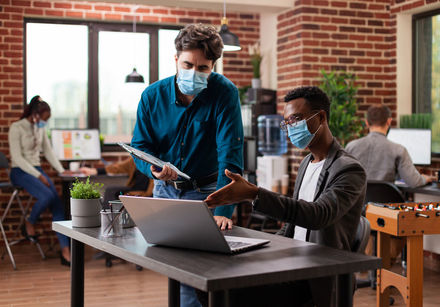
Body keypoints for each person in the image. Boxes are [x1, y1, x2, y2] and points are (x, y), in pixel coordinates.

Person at [203, 86, 367, 307]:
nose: (291, 128)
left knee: (224, 293)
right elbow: (292, 225)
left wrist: (254, 193)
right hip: (292, 264)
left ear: (321, 117)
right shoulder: (306, 164)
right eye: (287, 123)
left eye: (296, 120)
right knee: (207, 286)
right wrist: (258, 247)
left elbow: (317, 216)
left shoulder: (349, 170)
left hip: (315, 275)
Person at [131, 24, 243, 307]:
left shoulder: (224, 93)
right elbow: (140, 147)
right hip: (165, 193)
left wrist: (224, 208)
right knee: (177, 270)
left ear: (213, 66)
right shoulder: (152, 96)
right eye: (187, 64)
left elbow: (230, 152)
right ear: (175, 59)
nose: (194, 73)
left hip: (207, 192)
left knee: (202, 271)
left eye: (203, 68)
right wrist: (153, 170)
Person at [8, 95, 72, 266]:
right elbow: (17, 158)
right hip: (19, 171)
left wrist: (62, 171)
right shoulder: (16, 128)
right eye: (44, 119)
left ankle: (65, 251)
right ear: (35, 114)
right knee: (46, 197)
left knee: (58, 205)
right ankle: (29, 223)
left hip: (37, 170)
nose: (45, 122)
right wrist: (39, 176)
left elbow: (48, 152)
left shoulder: (40, 128)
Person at [345, 105, 431, 188]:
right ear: (389, 121)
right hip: (386, 202)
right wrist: (425, 178)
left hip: (358, 202)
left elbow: (343, 178)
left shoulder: (351, 147)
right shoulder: (399, 150)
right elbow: (414, 182)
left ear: (367, 123)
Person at [79, 156, 154, 205]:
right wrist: (96, 171)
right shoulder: (136, 158)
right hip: (134, 187)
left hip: (146, 192)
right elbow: (118, 167)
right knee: (111, 190)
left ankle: (110, 218)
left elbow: (151, 193)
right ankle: (108, 216)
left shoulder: (155, 158)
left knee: (113, 193)